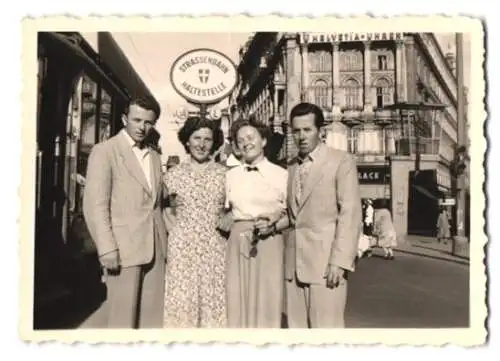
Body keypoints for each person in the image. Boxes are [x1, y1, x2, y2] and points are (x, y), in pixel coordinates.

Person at [83, 96, 167, 328]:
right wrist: (106, 247)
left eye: (148, 122)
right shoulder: (105, 151)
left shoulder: (154, 156)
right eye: (136, 120)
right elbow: (95, 204)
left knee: (151, 320)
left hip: (156, 248)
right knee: (122, 320)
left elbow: (157, 203)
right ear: (124, 119)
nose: (142, 127)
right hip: (123, 249)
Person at [285, 102, 362, 328]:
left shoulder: (341, 161)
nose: (301, 136)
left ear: (321, 131)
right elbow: (294, 217)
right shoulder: (291, 165)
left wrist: (339, 261)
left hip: (326, 266)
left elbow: (350, 213)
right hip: (294, 266)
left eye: (307, 130)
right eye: (296, 131)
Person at [162, 117, 227, 328]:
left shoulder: (225, 175)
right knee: (182, 308)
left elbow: (238, 207)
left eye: (208, 139)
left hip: (215, 250)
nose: (201, 144)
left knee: (213, 307)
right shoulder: (172, 175)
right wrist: (174, 230)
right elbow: (161, 207)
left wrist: (230, 217)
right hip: (182, 251)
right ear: (187, 141)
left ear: (215, 142)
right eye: (196, 138)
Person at [225, 119, 289, 328]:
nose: (246, 143)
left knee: (268, 297)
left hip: (269, 240)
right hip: (237, 241)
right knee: (238, 297)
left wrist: (274, 224)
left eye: (250, 138)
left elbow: (292, 214)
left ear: (263, 140)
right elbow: (223, 210)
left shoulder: (282, 175)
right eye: (240, 140)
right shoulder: (230, 176)